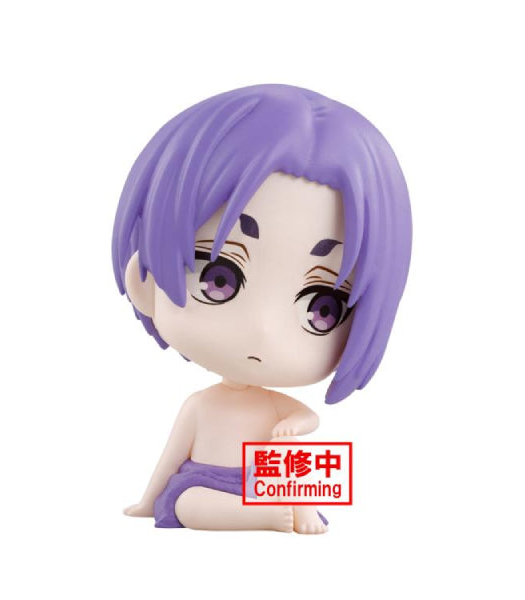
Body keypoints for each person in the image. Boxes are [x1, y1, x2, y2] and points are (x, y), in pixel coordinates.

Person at [111, 84, 412, 533]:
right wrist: (147, 501)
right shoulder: (199, 406)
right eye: (220, 278)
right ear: (144, 281)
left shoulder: (274, 408)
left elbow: (308, 419)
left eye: (323, 308)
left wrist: (293, 428)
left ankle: (289, 509)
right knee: (189, 502)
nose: (265, 329)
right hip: (207, 484)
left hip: (264, 480)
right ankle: (268, 516)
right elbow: (171, 459)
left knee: (291, 467)